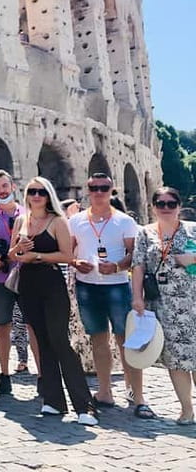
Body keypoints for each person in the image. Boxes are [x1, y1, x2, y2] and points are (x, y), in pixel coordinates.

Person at [8, 177, 98, 426]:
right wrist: (19, 249)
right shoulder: (21, 220)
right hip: (27, 284)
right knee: (41, 339)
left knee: (59, 340)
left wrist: (35, 254)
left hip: (51, 282)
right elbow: (11, 255)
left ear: (48, 196)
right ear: (26, 195)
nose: (36, 196)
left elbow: (67, 256)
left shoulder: (58, 221)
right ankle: (53, 400)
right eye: (32, 191)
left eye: (41, 192)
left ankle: (84, 405)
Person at [68, 173, 146, 415]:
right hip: (87, 285)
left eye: (104, 187)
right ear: (88, 190)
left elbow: (135, 255)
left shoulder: (124, 221)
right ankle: (104, 392)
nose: (99, 192)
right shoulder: (76, 221)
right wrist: (75, 262)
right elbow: (68, 252)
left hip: (117, 285)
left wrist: (116, 266)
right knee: (98, 340)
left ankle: (136, 395)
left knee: (126, 341)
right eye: (94, 187)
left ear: (112, 191)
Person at [131, 187, 196, 425]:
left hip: (192, 301)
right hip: (163, 303)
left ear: (179, 206)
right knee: (175, 358)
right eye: (161, 203)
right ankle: (186, 409)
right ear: (153, 207)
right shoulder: (146, 233)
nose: (166, 208)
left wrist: (193, 259)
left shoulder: (192, 230)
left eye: (171, 203)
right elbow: (138, 266)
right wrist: (136, 297)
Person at [0, 169, 39, 395]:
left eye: (4, 186)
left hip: (27, 275)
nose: (1, 191)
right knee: (2, 325)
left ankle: (42, 375)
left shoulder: (29, 214)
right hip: (0, 277)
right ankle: (4, 374)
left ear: (13, 187)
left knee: (33, 325)